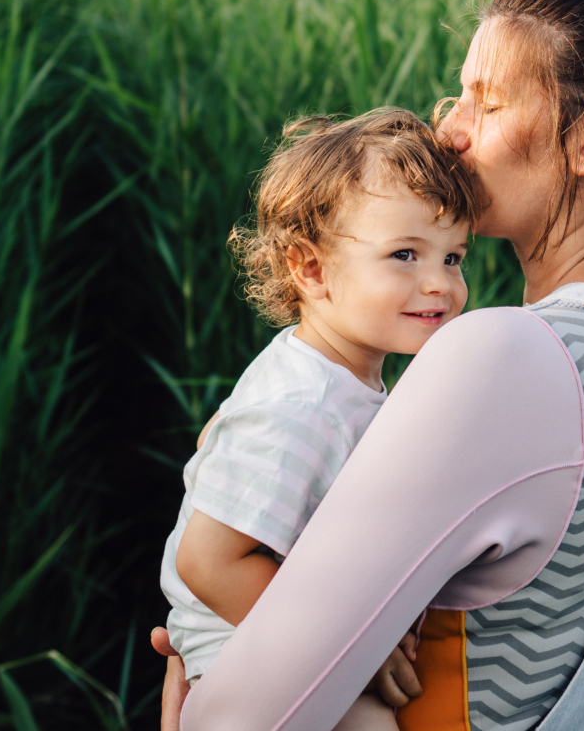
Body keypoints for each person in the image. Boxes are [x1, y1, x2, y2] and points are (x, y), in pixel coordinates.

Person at [153, 0, 584, 731]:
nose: (449, 129)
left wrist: (191, 714)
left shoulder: (508, 356)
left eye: (488, 101)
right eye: (459, 96)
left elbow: (243, 718)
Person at [157, 108, 476, 729]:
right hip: (240, 650)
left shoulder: (344, 382)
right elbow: (209, 559)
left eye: (454, 258)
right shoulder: (301, 402)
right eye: (406, 254)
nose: (440, 283)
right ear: (311, 269)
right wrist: (349, 652)